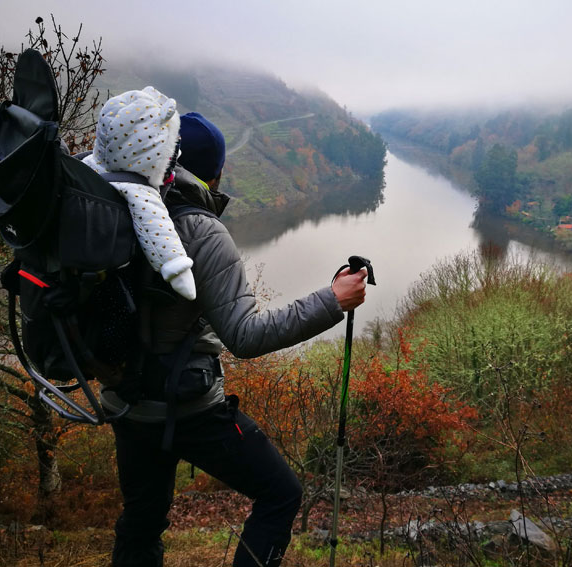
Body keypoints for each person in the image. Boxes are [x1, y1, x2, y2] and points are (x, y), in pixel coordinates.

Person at [99, 108, 368, 567]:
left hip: (126, 402)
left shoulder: (117, 211)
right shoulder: (201, 230)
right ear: (215, 172)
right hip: (191, 409)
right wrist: (333, 299)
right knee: (281, 494)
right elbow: (245, 335)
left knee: (141, 521)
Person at [83, 86, 196, 301]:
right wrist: (179, 271)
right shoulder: (137, 190)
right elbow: (158, 233)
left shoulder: (90, 164)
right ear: (148, 150)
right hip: (108, 288)